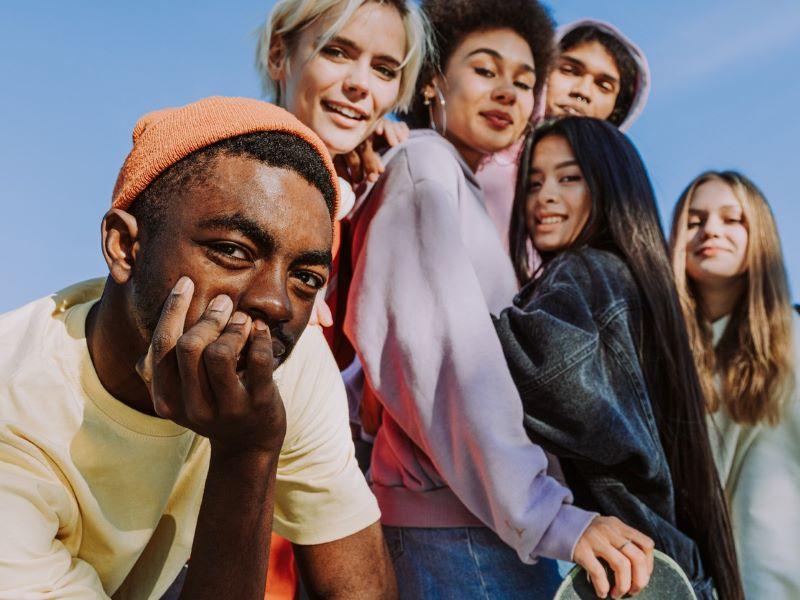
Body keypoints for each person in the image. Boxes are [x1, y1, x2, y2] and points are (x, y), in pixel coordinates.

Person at [0, 96, 394, 599]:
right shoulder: (16, 418)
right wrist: (246, 453)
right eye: (232, 251)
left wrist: (249, 450)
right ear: (124, 246)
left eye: (306, 277)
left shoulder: (278, 361)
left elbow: (359, 588)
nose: (275, 302)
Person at [343, 2, 655, 598]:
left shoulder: (465, 187)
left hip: (489, 519)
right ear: (433, 80)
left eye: (524, 81)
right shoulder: (424, 166)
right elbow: (452, 362)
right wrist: (548, 515)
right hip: (460, 530)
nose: (507, 93)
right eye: (485, 70)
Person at [496, 117, 745, 600]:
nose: (546, 197)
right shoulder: (635, 280)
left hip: (630, 571)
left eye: (569, 178)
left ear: (610, 185)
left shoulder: (584, 269)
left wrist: (453, 321)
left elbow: (551, 380)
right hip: (669, 565)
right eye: (534, 183)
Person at [669, 171, 800, 598]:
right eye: (695, 221)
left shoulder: (793, 339)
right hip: (693, 576)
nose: (710, 230)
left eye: (732, 219)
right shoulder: (658, 352)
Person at [477, 18, 649, 252]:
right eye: (569, 71)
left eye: (603, 86)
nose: (582, 92)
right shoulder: (484, 152)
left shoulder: (614, 200)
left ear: (617, 110)